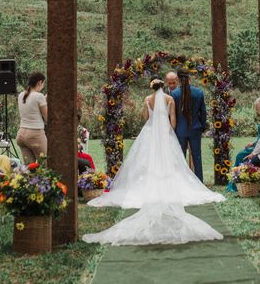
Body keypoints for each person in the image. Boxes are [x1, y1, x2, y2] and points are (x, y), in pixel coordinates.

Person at [83, 79, 224, 245]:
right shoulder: (169, 99)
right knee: (171, 162)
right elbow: (173, 120)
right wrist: (170, 133)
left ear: (151, 87)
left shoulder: (147, 100)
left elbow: (145, 117)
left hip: (149, 132)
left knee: (146, 161)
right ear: (163, 86)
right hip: (165, 133)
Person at [171, 69, 207, 181]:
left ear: (178, 79)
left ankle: (181, 182)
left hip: (180, 130)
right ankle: (199, 181)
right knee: (197, 156)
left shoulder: (174, 94)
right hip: (195, 128)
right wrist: (203, 126)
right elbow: (203, 113)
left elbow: (173, 114)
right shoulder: (199, 92)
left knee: (180, 157)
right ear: (189, 78)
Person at [227, 98, 260, 192]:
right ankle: (238, 182)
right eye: (257, 108)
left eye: (258, 108)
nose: (257, 111)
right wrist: (253, 143)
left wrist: (254, 153)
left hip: (259, 149)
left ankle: (239, 183)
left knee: (240, 156)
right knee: (241, 154)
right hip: (257, 146)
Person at [16, 72, 47, 164]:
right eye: (43, 83)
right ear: (39, 83)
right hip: (35, 135)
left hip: (21, 135)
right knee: (46, 165)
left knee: (29, 168)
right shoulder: (39, 96)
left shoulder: (21, 95)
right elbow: (47, 118)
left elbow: (32, 103)